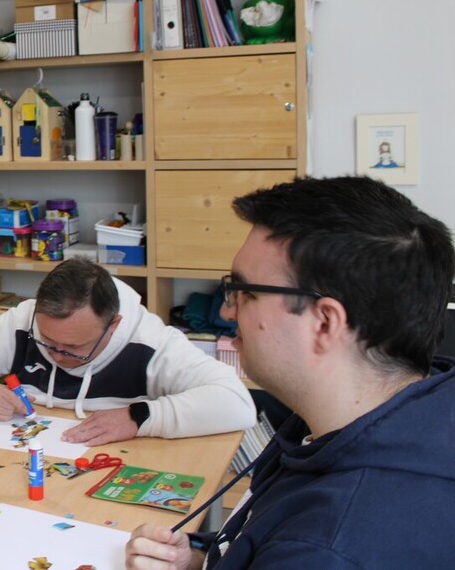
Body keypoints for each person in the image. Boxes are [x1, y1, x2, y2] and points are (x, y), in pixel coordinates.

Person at [125, 176, 455, 569]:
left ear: (324, 323)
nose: (228, 311)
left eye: (246, 292)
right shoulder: (392, 412)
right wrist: (197, 559)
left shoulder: (326, 548)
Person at [0, 257, 256, 445]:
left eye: (74, 348)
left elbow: (237, 403)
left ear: (113, 325)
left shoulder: (150, 340)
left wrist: (138, 417)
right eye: (47, 341)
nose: (57, 354)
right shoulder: (24, 319)